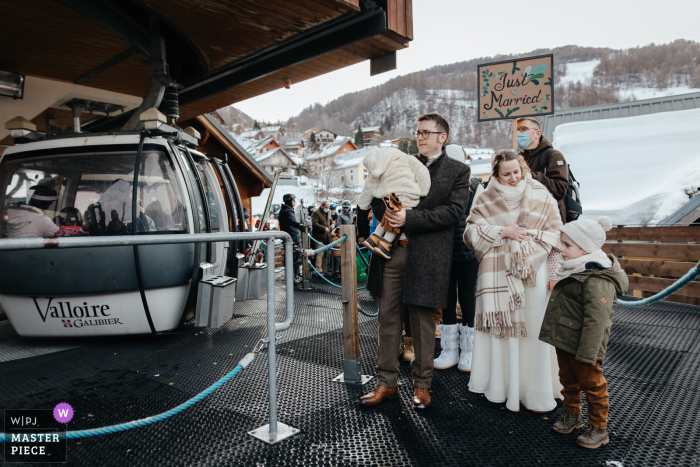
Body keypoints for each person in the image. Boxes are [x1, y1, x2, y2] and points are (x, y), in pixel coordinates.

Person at [357, 112, 470, 410]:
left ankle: (422, 387)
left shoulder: (458, 171)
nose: (419, 137)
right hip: (390, 252)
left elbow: (453, 213)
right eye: (418, 132)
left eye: (426, 132)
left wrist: (410, 217)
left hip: (428, 255)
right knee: (387, 318)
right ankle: (386, 383)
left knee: (421, 322)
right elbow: (378, 197)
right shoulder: (397, 160)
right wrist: (388, 212)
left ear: (442, 137)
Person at [464, 149, 563, 413]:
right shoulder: (484, 197)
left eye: (516, 172)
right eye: (506, 174)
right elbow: (471, 231)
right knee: (502, 329)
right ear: (495, 173)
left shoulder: (541, 194)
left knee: (533, 330)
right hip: (496, 273)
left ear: (523, 169)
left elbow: (556, 236)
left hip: (534, 272)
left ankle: (535, 389)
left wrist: (554, 274)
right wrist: (502, 231)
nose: (513, 178)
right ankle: (502, 386)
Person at [539, 216, 628, 449]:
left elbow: (597, 320)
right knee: (567, 380)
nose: (562, 250)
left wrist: (589, 353)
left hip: (584, 345)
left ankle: (598, 428)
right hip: (566, 340)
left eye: (567, 245)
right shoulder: (575, 269)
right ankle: (573, 415)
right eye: (562, 244)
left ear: (586, 248)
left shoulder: (597, 278)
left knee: (592, 385)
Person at [434, 145, 484, 371]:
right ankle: (450, 349)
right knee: (446, 300)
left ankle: (470, 350)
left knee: (467, 299)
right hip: (445, 250)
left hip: (468, 251)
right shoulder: (437, 186)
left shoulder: (475, 187)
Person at [358, 147, 431, 260]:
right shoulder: (407, 158)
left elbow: (367, 193)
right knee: (397, 220)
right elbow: (422, 173)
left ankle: (373, 239)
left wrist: (363, 207)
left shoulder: (377, 172)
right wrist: (424, 191)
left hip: (389, 196)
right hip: (409, 195)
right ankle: (384, 245)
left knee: (389, 216)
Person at [516, 117, 570, 223]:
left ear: (537, 133)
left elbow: (560, 189)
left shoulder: (553, 155)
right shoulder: (516, 158)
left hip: (549, 220)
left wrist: (529, 177)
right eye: (516, 131)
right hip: (524, 220)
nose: (518, 133)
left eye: (523, 129)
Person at [279, 193, 307, 284]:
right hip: (292, 237)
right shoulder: (288, 211)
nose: (294, 202)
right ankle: (294, 277)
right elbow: (291, 221)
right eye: (293, 200)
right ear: (289, 201)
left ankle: (292, 276)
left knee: (291, 257)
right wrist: (300, 226)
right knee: (297, 257)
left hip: (289, 236)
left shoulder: (284, 210)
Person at [311, 201, 333, 276]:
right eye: (326, 207)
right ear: (322, 206)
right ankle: (318, 270)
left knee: (325, 254)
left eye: (328, 208)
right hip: (318, 237)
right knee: (320, 253)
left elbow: (331, 221)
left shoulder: (328, 213)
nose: (327, 209)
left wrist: (332, 224)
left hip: (326, 237)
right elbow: (315, 223)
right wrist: (324, 228)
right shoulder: (316, 213)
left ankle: (324, 270)